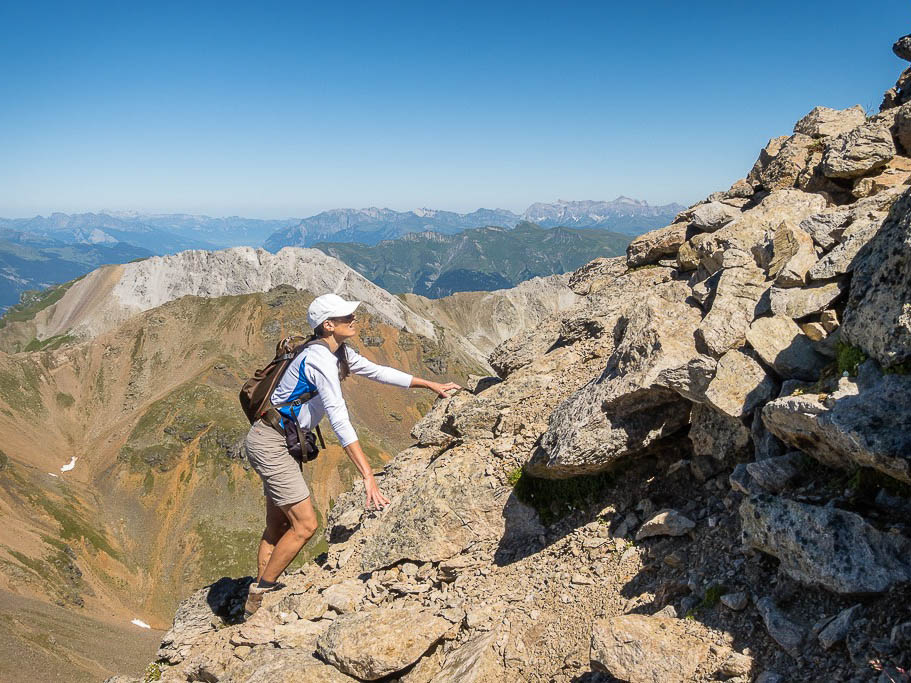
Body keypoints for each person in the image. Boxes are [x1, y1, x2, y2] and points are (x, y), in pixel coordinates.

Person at [243, 293, 461, 618]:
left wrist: (430, 384)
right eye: (347, 318)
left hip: (280, 441)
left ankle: (260, 591)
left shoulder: (339, 352)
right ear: (328, 325)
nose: (354, 320)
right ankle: (261, 595)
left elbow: (379, 372)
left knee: (278, 525)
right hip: (271, 443)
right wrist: (368, 474)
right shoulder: (319, 359)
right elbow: (338, 416)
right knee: (305, 525)